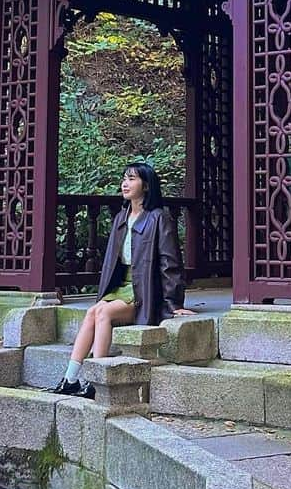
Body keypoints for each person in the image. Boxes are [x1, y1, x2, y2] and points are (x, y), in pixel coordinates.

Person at [52, 161, 194, 398]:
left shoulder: (159, 218)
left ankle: (96, 381)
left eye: (132, 179)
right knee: (93, 312)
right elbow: (112, 262)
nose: (125, 184)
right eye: (124, 178)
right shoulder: (121, 217)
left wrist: (173, 304)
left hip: (143, 289)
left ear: (146, 186)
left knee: (103, 313)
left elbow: (171, 264)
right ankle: (70, 378)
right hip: (121, 287)